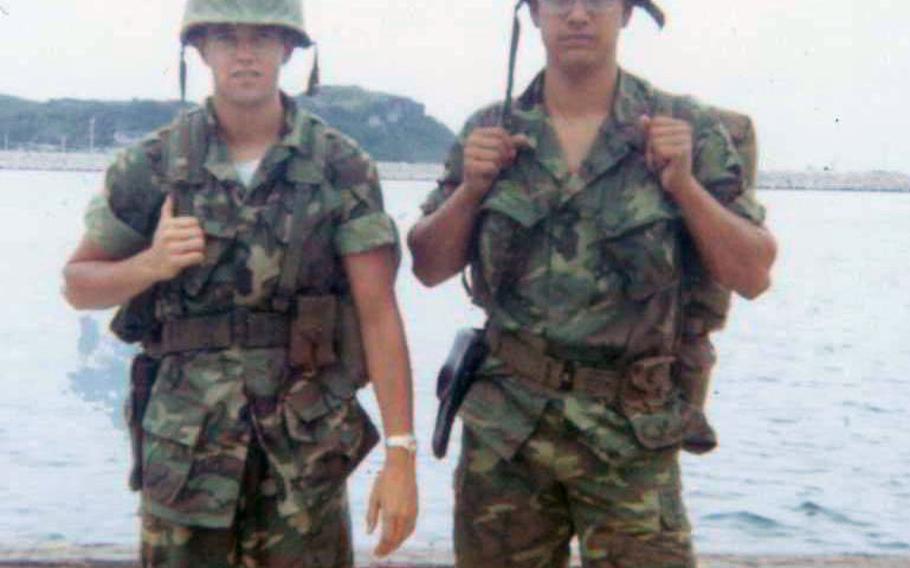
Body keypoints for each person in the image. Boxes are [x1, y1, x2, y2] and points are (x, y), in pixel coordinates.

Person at [409, 0, 777, 566]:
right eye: (558, 1)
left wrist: (683, 186)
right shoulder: (492, 129)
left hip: (630, 432)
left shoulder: (686, 129)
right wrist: (471, 189)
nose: (577, 15)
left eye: (597, 1)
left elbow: (753, 273)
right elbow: (428, 265)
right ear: (532, 14)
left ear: (627, 14)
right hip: (508, 434)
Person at [62, 1, 417, 566]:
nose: (245, 52)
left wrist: (401, 455)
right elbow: (79, 284)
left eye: (262, 36)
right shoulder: (153, 163)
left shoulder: (339, 166)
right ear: (201, 49)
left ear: (290, 49)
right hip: (186, 458)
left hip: (303, 451)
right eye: (227, 37)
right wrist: (149, 266)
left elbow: (378, 313)